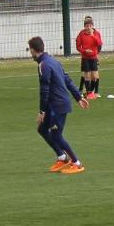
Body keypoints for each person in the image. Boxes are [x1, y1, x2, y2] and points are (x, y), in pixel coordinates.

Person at [28, 35, 89, 174]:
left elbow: (45, 90)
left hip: (58, 105)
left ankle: (76, 162)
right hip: (54, 104)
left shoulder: (44, 65)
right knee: (42, 129)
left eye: (30, 50)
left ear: (33, 50)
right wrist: (78, 97)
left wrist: (42, 111)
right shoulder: (53, 61)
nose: (30, 53)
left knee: (56, 135)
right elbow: (67, 79)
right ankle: (62, 157)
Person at [74, 15, 103, 99]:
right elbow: (78, 46)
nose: (88, 27)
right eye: (87, 26)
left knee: (95, 76)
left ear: (92, 26)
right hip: (85, 58)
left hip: (94, 57)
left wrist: (92, 35)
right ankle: (88, 93)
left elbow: (99, 44)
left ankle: (93, 91)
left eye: (90, 26)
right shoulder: (81, 34)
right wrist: (84, 51)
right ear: (84, 26)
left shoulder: (96, 33)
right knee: (86, 75)